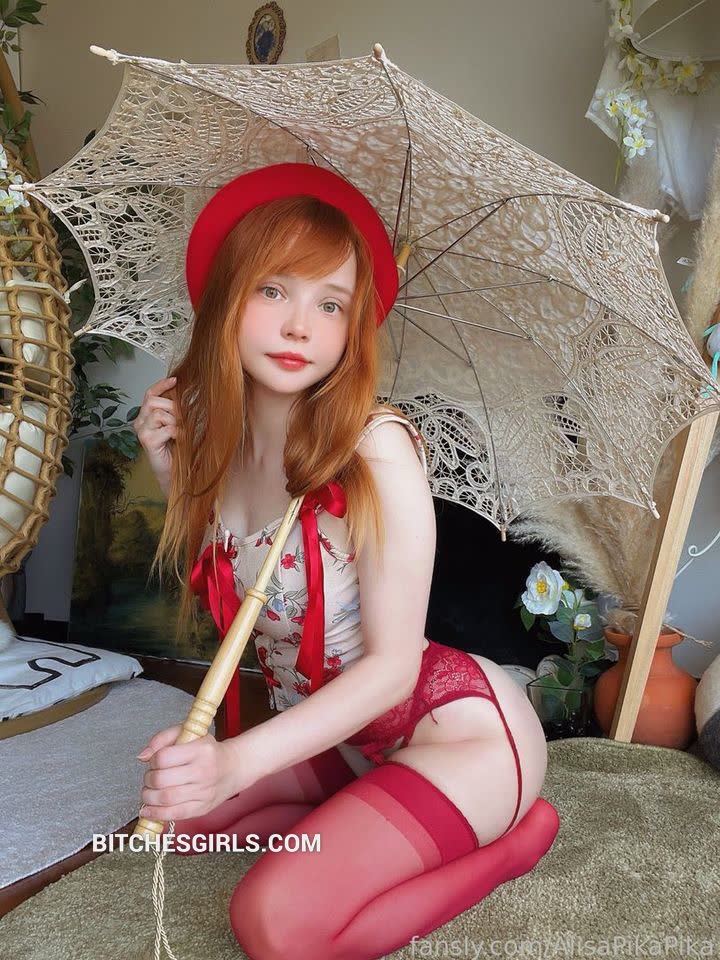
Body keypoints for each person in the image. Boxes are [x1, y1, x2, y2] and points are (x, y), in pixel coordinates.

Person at [132, 162, 560, 960]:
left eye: (331, 304)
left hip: (451, 736)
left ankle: (516, 840)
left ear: (352, 325)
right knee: (180, 824)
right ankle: (353, 811)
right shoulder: (224, 449)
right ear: (225, 296)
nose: (301, 326)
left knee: (276, 923)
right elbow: (247, 590)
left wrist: (236, 761)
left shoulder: (374, 446)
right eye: (274, 290)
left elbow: (394, 671)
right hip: (342, 740)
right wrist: (172, 474)